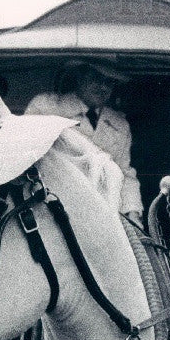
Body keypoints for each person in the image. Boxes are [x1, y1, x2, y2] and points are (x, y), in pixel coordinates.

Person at [25, 61, 143, 224]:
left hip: (103, 214)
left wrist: (133, 212)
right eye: (96, 78)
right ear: (80, 77)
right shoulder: (46, 107)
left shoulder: (119, 123)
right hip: (53, 210)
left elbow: (125, 173)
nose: (103, 87)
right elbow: (28, 161)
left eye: (109, 82)